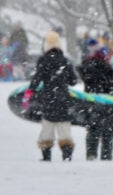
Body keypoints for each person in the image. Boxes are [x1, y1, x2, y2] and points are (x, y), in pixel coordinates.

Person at [24, 31, 78, 162]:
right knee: (64, 129)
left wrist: (30, 91)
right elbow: (73, 81)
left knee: (47, 128)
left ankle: (46, 155)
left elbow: (37, 79)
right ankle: (67, 155)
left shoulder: (43, 61)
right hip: (63, 99)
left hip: (48, 98)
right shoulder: (65, 61)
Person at [78, 39, 113, 160]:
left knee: (92, 129)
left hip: (92, 101)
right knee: (108, 130)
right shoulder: (109, 69)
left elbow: (81, 72)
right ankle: (106, 155)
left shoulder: (87, 67)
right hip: (108, 102)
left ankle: (91, 154)